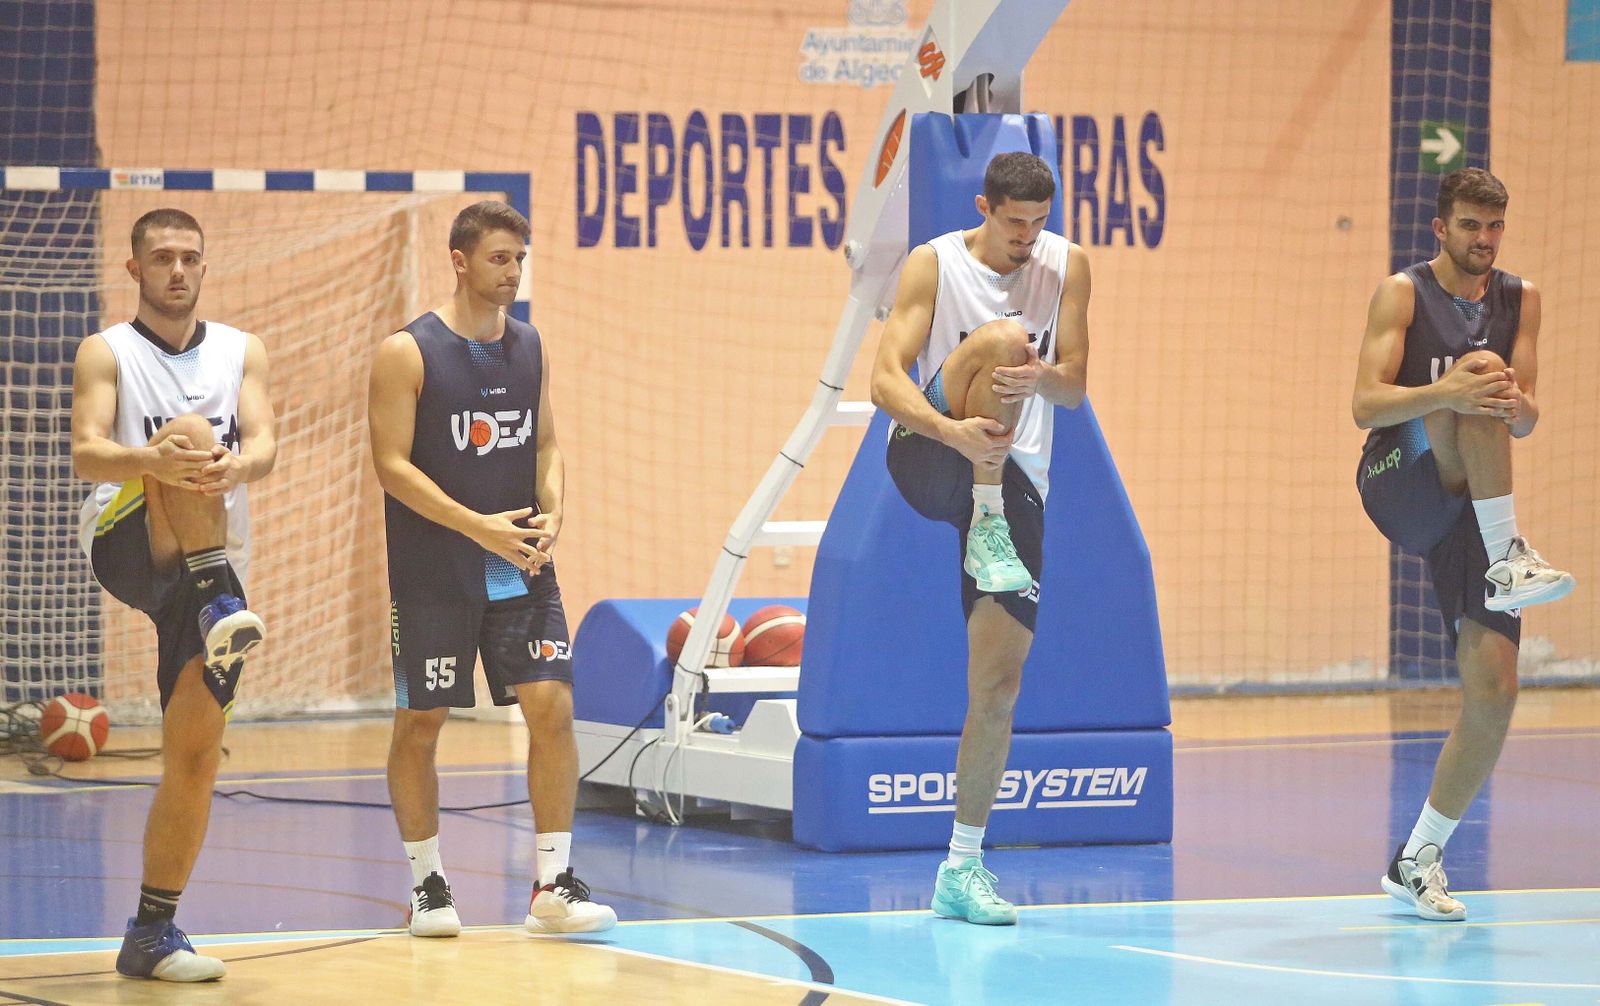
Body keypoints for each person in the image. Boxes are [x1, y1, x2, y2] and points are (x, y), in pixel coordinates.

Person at [368, 200, 615, 937]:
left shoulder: (530, 346)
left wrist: (555, 510)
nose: (512, 271)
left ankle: (551, 886)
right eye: (499, 258)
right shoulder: (407, 352)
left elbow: (545, 446)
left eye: (519, 258)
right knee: (422, 721)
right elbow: (389, 466)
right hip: (435, 569)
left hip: (520, 570)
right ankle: (428, 886)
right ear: (460, 260)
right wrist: (476, 526)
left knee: (554, 708)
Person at [869, 152, 1089, 925]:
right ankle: (984, 511)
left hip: (1017, 474)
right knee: (1002, 339)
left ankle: (961, 869)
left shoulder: (1068, 265)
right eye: (1014, 222)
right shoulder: (933, 263)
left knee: (997, 687)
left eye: (1039, 222)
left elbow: (1077, 384)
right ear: (985, 208)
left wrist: (1042, 382)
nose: (1029, 238)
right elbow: (884, 380)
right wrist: (951, 432)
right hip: (934, 447)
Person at [1352, 166, 1575, 921]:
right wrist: (1451, 392)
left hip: (1474, 512)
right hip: (1401, 472)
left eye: (1495, 227)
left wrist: (1510, 402)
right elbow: (1364, 403)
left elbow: (1528, 418)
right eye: (1471, 226)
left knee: (1495, 694)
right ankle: (1512, 554)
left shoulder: (1522, 299)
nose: (1484, 240)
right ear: (1440, 228)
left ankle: (1417, 858)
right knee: (1480, 375)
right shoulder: (1403, 293)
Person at [72, 208, 276, 981]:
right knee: (189, 435)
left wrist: (241, 469)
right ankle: (217, 597)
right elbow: (88, 452)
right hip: (130, 537)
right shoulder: (108, 351)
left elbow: (263, 442)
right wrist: (155, 460)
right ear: (135, 271)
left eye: (191, 257)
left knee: (193, 755)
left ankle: (151, 932)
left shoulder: (240, 350)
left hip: (211, 567)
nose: (179, 271)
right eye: (162, 258)